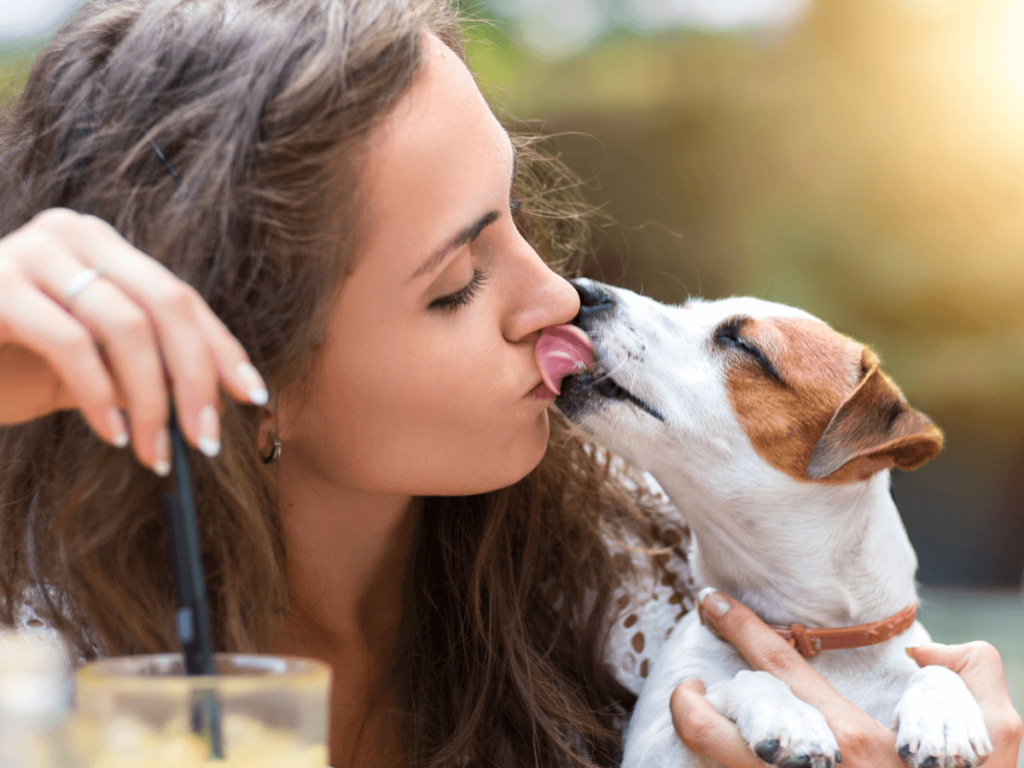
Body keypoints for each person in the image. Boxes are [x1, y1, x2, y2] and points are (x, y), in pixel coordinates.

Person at [0, 0, 1019, 766]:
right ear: (247, 369)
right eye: (453, 285)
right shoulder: (37, 655)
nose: (559, 301)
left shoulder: (647, 572)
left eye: (515, 219)